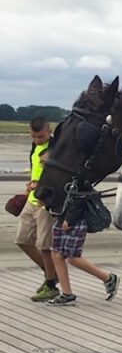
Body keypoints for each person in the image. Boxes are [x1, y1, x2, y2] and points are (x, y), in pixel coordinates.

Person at [47, 189, 120, 306]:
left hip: (75, 221)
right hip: (61, 218)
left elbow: (80, 198)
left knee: (73, 257)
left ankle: (108, 278)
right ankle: (67, 294)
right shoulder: (56, 176)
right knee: (56, 254)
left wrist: (69, 219)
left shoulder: (77, 178)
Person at [16, 117, 59, 301]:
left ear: (49, 132)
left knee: (45, 245)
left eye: (41, 137)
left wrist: (41, 185)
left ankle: (51, 284)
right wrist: (31, 185)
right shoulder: (35, 148)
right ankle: (50, 273)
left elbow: (58, 176)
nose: (37, 140)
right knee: (23, 239)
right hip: (32, 199)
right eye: (34, 136)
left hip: (45, 202)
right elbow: (36, 170)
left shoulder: (55, 149)